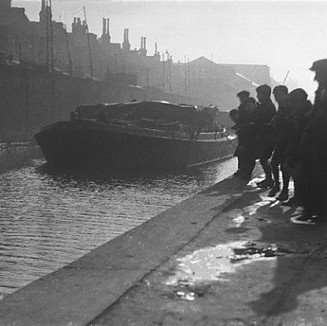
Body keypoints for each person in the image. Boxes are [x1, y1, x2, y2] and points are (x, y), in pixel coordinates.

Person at [295, 59, 327, 221]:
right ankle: (313, 209)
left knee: (316, 174)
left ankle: (317, 210)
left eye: (317, 73)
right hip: (316, 137)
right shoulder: (321, 89)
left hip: (320, 139)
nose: (315, 77)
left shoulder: (324, 90)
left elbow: (320, 115)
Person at [283, 88, 312, 206]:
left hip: (305, 149)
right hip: (296, 147)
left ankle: (305, 202)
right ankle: (299, 197)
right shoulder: (298, 112)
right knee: (295, 173)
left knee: (302, 175)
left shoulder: (308, 114)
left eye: (293, 103)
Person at [268, 85, 291, 200]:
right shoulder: (281, 107)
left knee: (284, 166)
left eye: (278, 95)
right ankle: (277, 185)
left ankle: (284, 189)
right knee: (274, 163)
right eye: (275, 95)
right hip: (279, 140)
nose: (276, 98)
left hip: (287, 141)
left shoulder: (289, 106)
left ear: (285, 94)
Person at [254, 84, 277, 188]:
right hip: (263, 135)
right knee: (263, 158)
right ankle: (269, 179)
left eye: (259, 94)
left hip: (268, 137)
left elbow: (269, 122)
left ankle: (270, 180)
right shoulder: (264, 105)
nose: (257, 96)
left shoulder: (268, 106)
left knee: (263, 159)